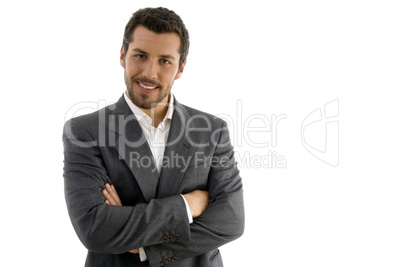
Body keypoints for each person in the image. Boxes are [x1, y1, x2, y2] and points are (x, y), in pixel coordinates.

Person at [63, 7, 244, 267]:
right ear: (123, 55)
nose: (149, 72)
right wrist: (187, 205)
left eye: (165, 61)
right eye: (140, 55)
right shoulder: (85, 131)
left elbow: (231, 221)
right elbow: (95, 229)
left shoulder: (212, 131)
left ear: (181, 68)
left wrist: (143, 243)